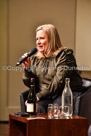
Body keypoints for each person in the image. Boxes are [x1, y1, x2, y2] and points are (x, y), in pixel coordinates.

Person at [22, 24, 83, 113]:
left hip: (65, 94)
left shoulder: (65, 55)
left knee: (55, 109)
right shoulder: (35, 58)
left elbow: (59, 82)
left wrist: (38, 96)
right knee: (36, 107)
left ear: (52, 39)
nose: (38, 42)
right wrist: (27, 69)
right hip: (47, 95)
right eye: (37, 39)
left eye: (42, 38)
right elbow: (31, 84)